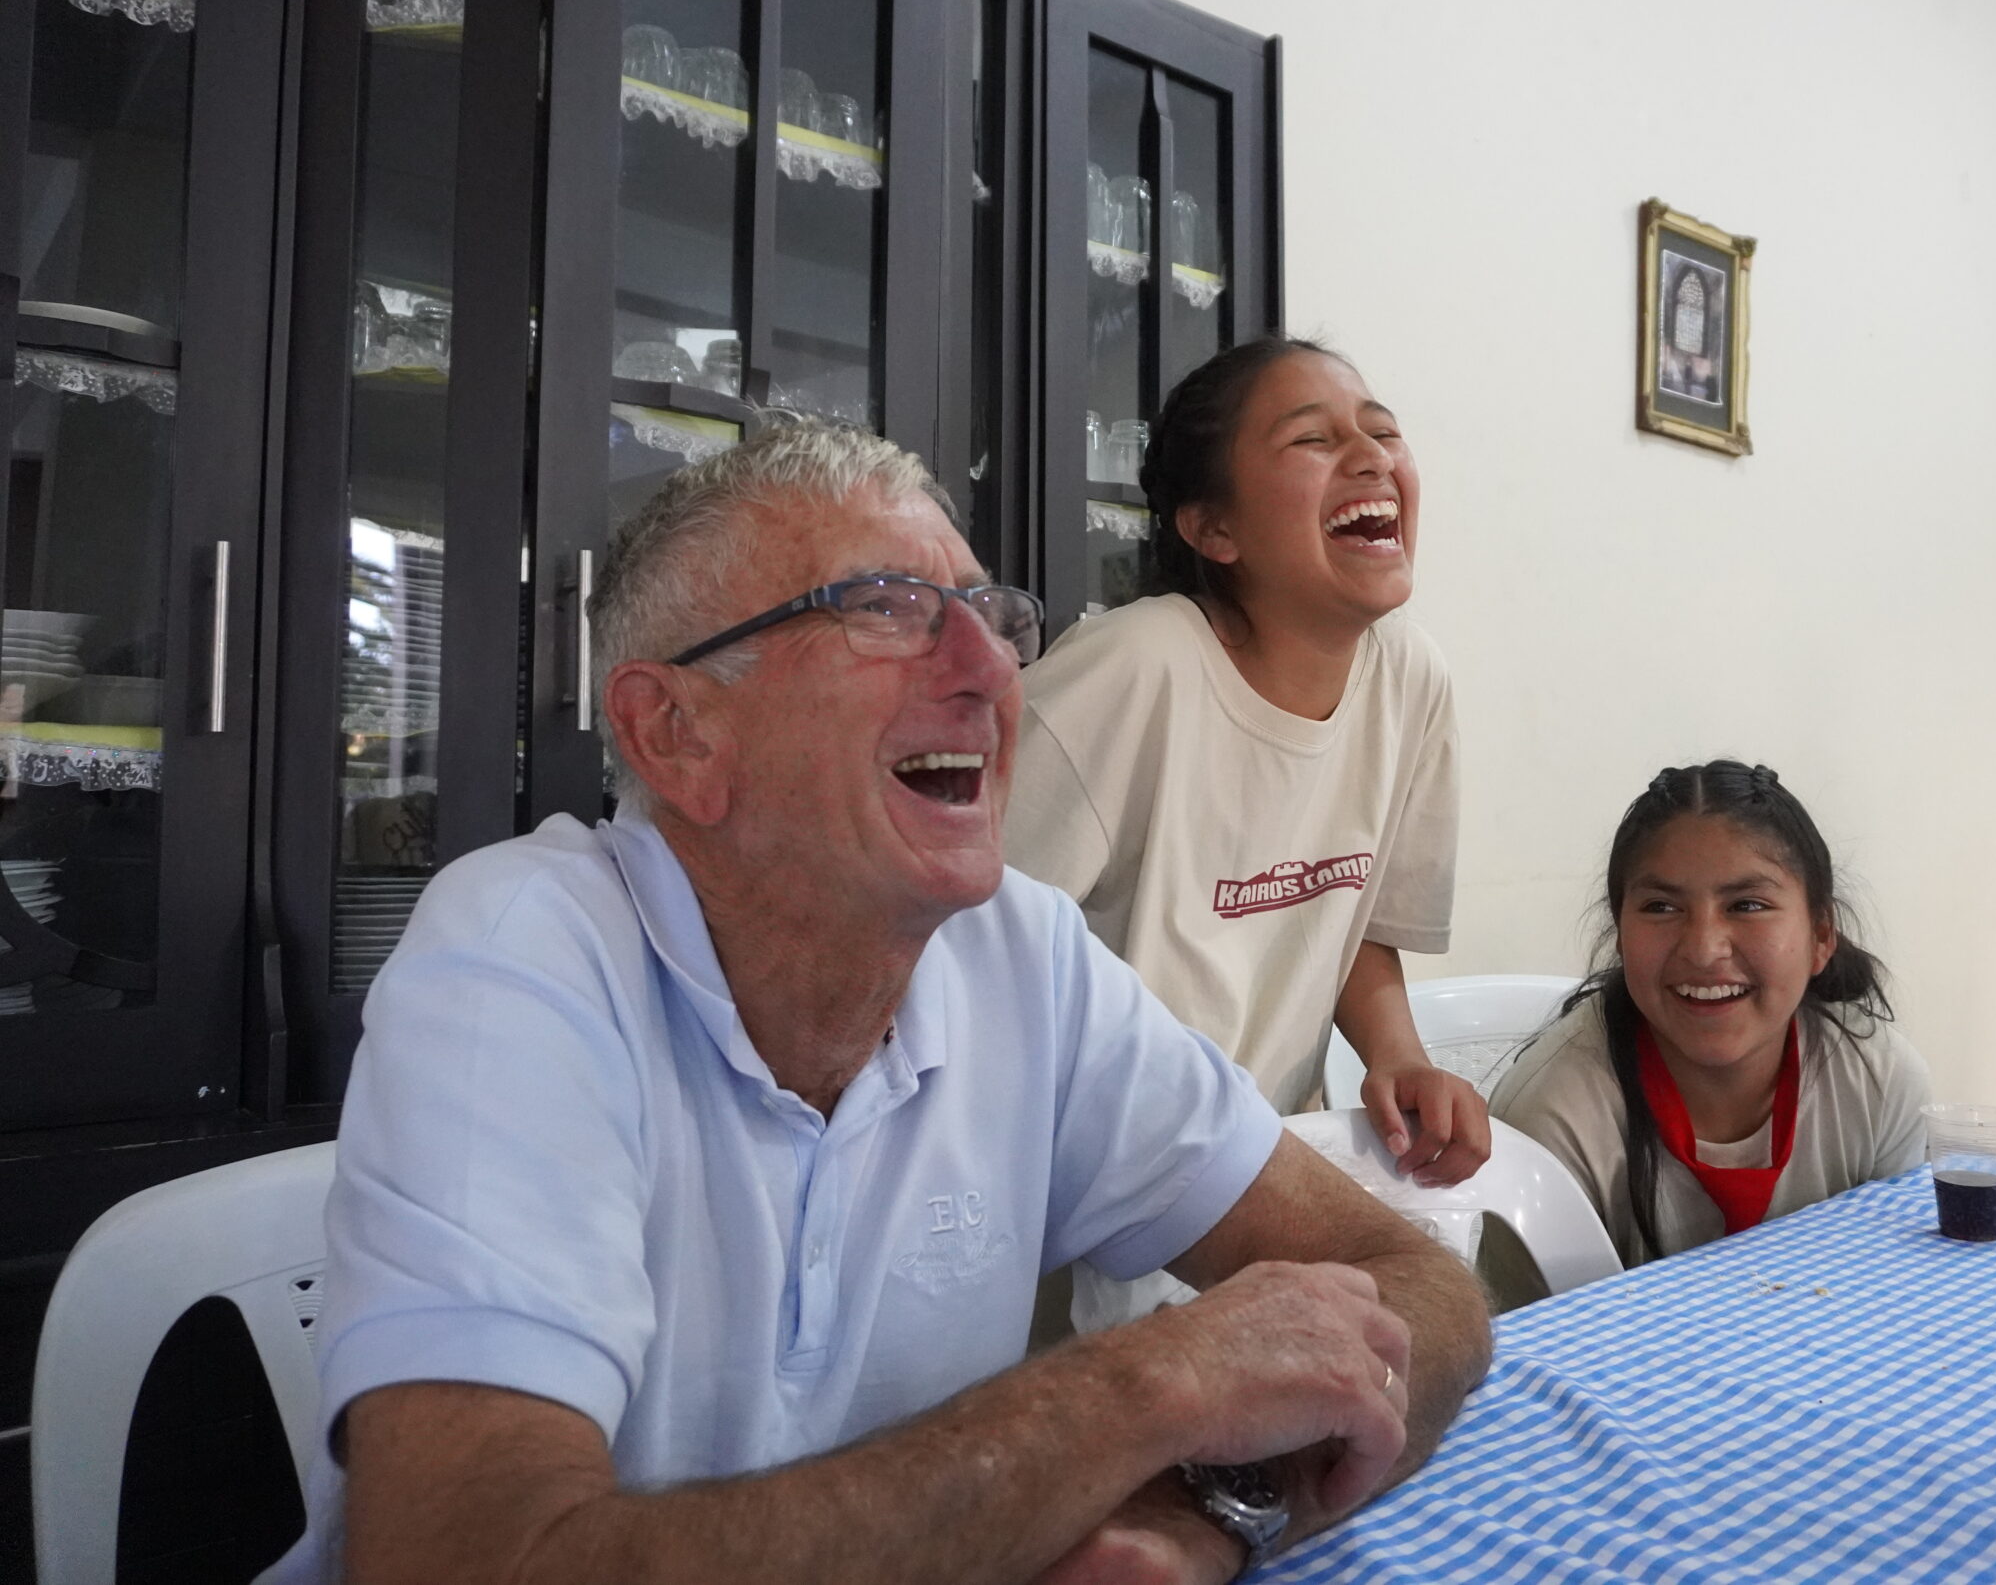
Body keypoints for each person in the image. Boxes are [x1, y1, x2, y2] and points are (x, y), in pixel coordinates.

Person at [266, 420, 1491, 1585]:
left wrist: (1205, 1512)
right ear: (675, 732)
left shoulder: (1020, 953)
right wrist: (1143, 1391)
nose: (992, 670)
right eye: (885, 610)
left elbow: (1414, 1283)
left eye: (992, 616)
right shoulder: (523, 959)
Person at [1004, 339, 1488, 1323]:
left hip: (1266, 1185)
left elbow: (1356, 919)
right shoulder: (1132, 670)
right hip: (1074, 1215)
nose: (1370, 456)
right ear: (1212, 527)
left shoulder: (1411, 678)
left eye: (1382, 432)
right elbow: (949, 939)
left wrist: (1397, 1054)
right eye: (1314, 440)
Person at [1489, 762, 1932, 1269]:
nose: (1703, 950)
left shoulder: (1878, 1080)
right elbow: (1544, 1321)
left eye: (1747, 905)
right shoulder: (1553, 1117)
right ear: (1620, 935)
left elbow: (1892, 1284)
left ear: (1821, 935)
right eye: (1661, 907)